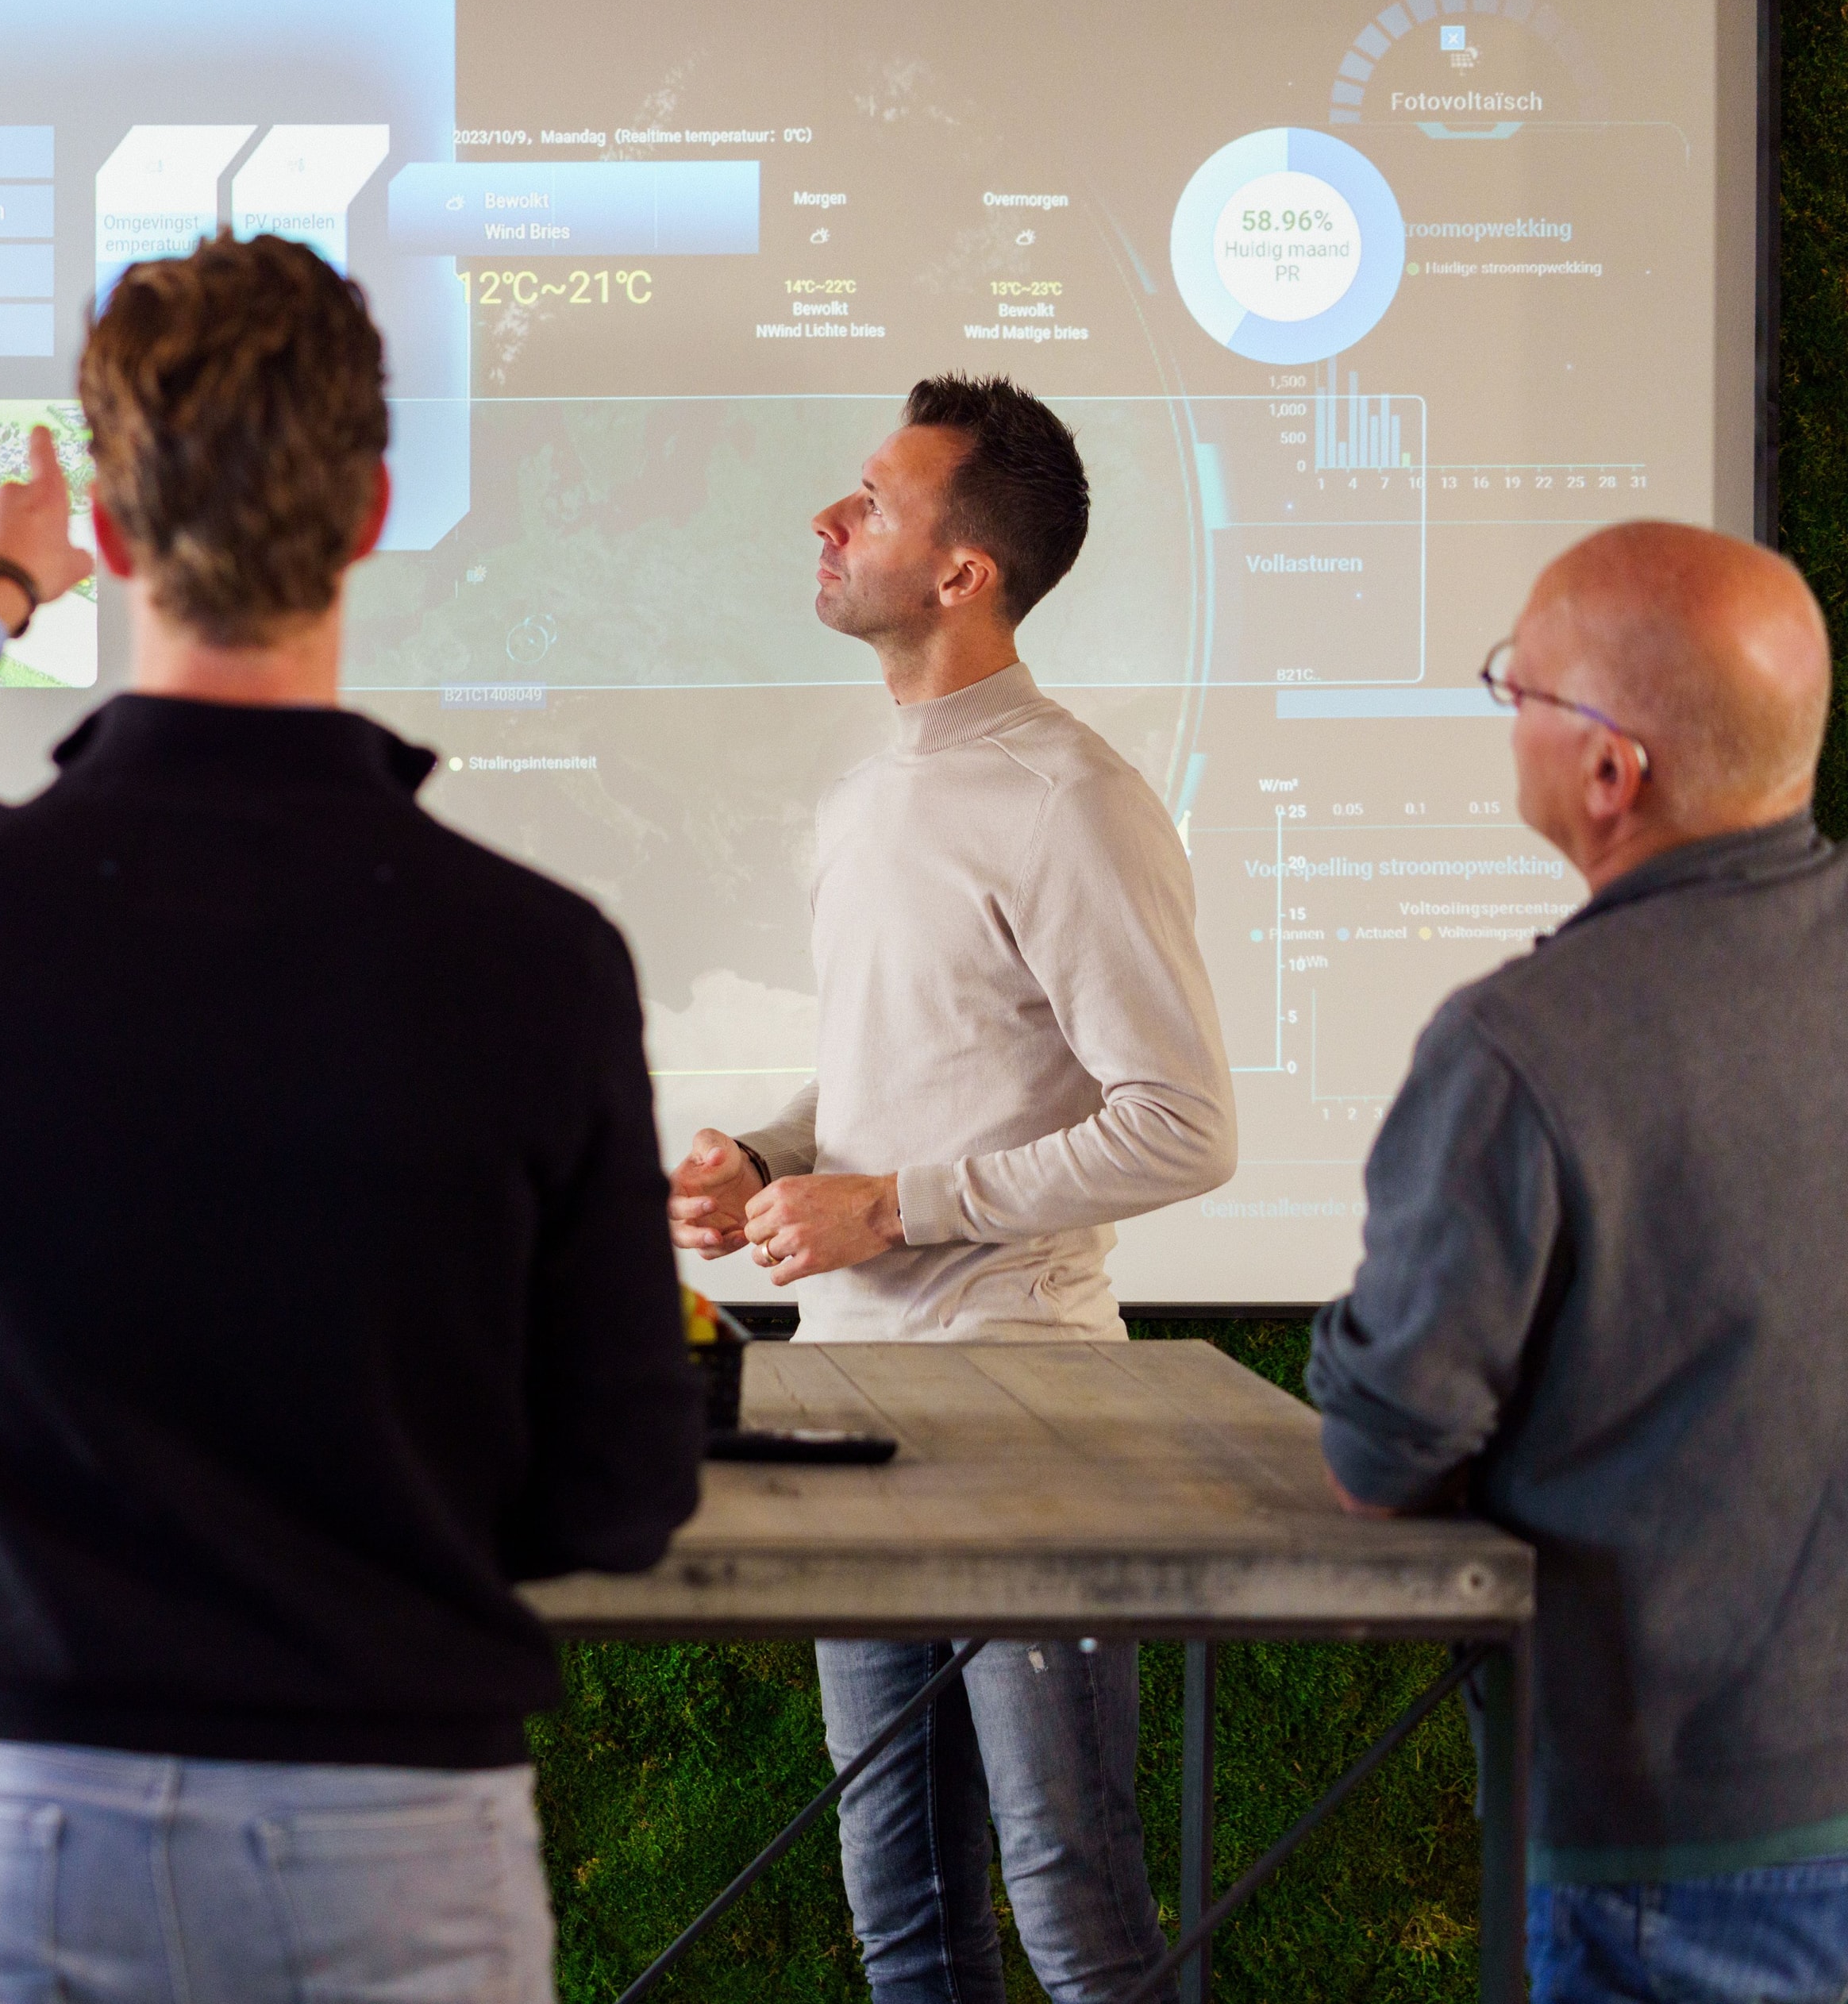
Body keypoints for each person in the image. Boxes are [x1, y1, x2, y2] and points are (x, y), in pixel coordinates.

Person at [0, 233, 702, 2003]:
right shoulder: (542, 960)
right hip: (395, 1828)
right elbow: (624, 1483)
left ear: (110, 537)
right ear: (371, 510)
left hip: (25, 1815)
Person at [664, 376, 1237, 2003]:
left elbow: (1185, 1125)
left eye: (871, 500)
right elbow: (899, 1071)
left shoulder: (1074, 799)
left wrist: (895, 1203)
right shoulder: (870, 793)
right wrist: (771, 1158)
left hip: (1025, 1416)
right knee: (904, 1916)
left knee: (1078, 1920)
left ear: (962, 571)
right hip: (847, 1405)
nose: (828, 521)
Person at [1307, 522, 1848, 2004]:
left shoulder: (1523, 1048)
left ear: (1613, 771)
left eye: (1516, 688)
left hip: (1678, 1852)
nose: (1505, 715)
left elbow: (1380, 1453)